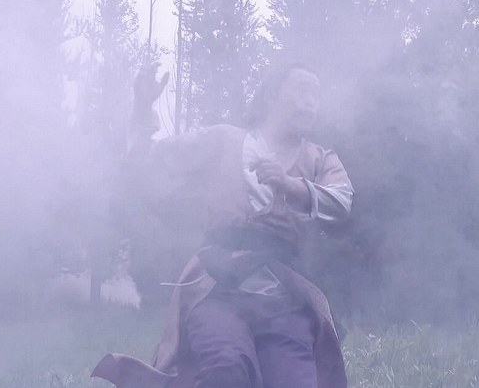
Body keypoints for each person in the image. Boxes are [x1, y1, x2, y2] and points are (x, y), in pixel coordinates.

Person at [92, 62, 354, 388]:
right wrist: (143, 107)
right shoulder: (221, 140)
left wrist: (292, 186)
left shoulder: (319, 158)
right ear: (272, 95)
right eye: (302, 90)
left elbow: (342, 200)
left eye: (316, 94)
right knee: (227, 369)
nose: (311, 102)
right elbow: (150, 161)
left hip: (284, 302)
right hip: (216, 292)